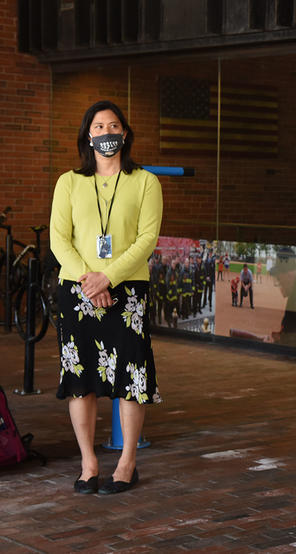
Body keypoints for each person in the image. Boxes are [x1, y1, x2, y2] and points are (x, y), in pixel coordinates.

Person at [49, 100, 162, 495]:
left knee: (131, 376)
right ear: (88, 135)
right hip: (78, 290)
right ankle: (89, 463)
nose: (107, 132)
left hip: (127, 290)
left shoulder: (145, 181)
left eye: (114, 125)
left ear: (125, 133)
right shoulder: (69, 182)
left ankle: (127, 463)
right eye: (99, 126)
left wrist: (108, 277)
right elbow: (59, 239)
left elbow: (147, 239)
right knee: (80, 379)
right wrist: (89, 281)